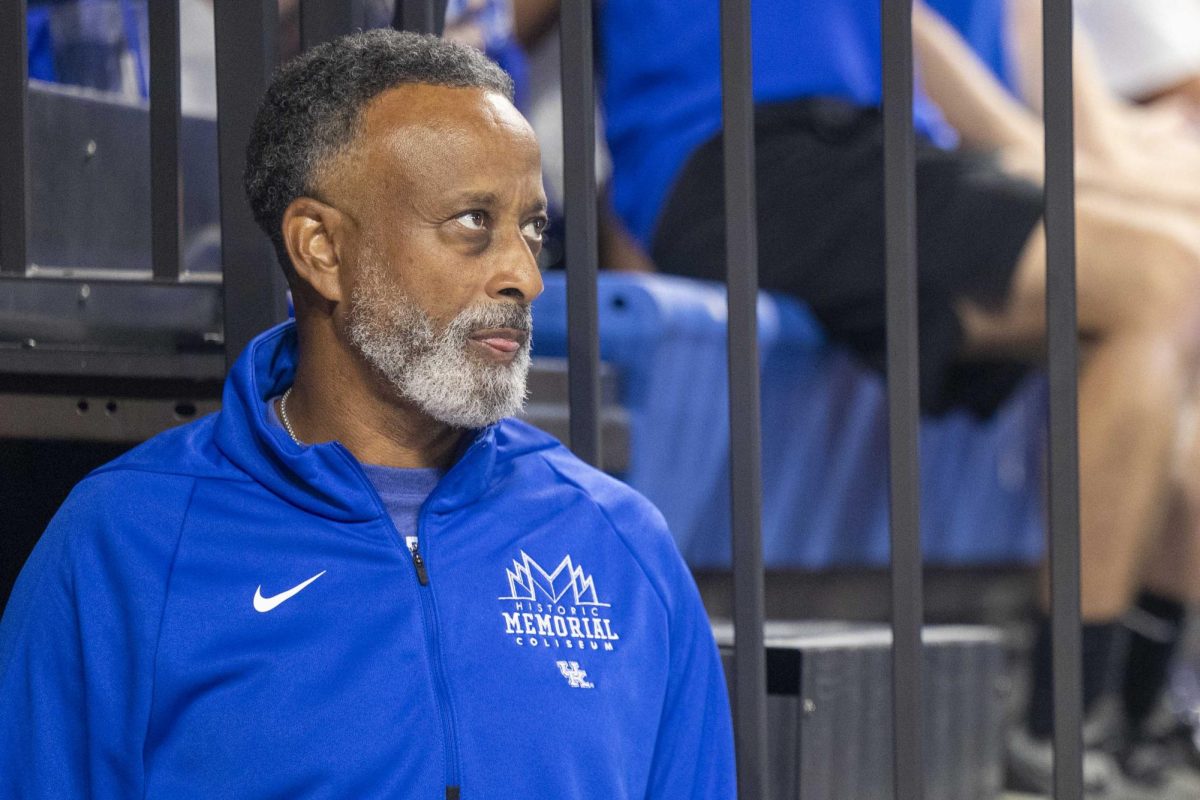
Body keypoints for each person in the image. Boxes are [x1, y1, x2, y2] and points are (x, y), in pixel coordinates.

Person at [0, 29, 735, 798]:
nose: (524, 274)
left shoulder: (623, 545)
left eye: (531, 227)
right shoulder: (123, 545)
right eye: (473, 223)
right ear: (321, 248)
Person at [585, 0, 1200, 795]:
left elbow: (982, 80)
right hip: (749, 155)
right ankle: (1062, 721)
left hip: (885, 147)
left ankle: (1132, 711)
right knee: (1166, 282)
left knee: (1176, 288)